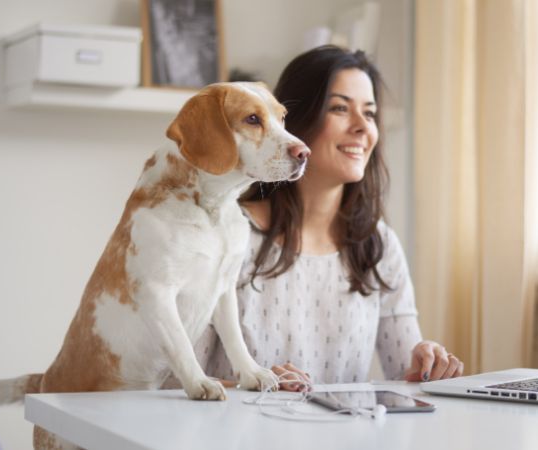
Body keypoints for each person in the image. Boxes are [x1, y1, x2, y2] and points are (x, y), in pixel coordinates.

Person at [188, 45, 464, 392]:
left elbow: (404, 376)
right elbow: (176, 383)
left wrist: (426, 364)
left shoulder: (378, 244)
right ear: (295, 122)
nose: (363, 127)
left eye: (370, 112)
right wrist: (257, 383)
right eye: (339, 108)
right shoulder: (226, 236)